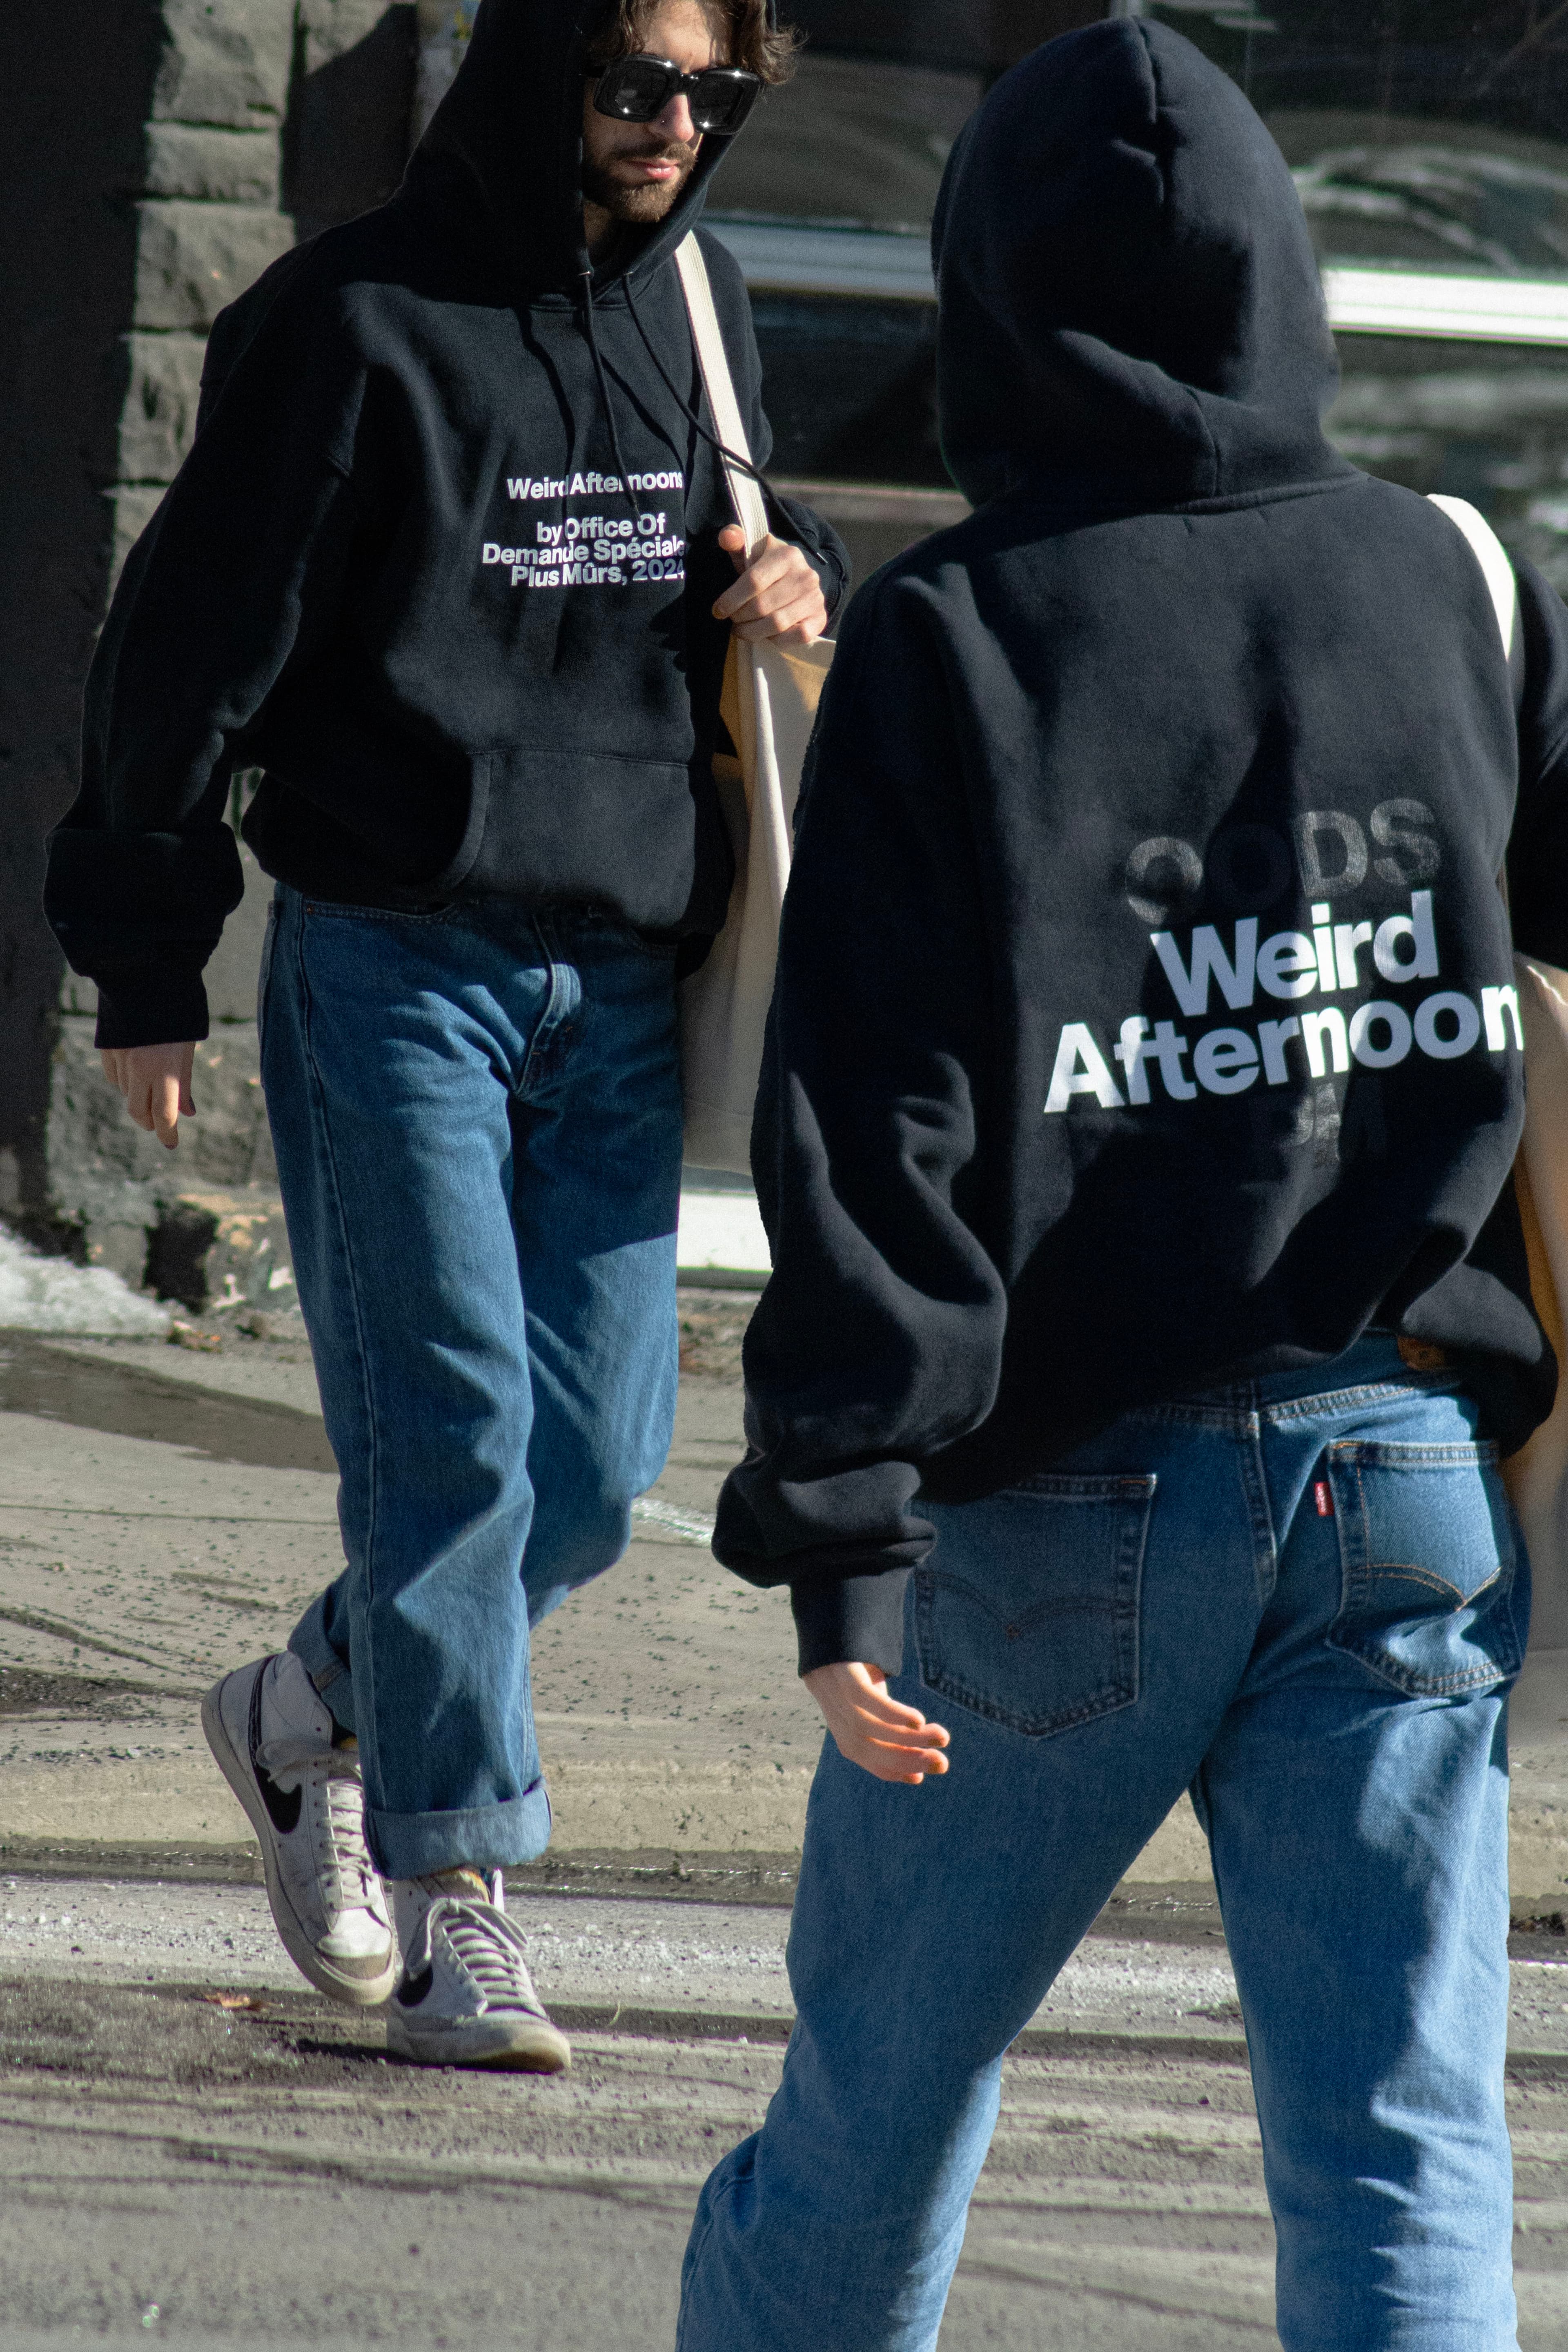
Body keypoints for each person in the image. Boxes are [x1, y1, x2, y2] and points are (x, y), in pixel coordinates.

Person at [677, 20, 1568, 2350]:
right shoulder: (1457, 580)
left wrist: (844, 1531)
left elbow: (878, 1128)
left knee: (875, 2125)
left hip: (1061, 1509)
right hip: (1400, 1466)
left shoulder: (962, 640)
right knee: (1401, 2152)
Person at [43, 0, 843, 2073]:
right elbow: (189, 642)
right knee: (461, 1431)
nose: (677, 124)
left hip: (622, 977)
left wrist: (796, 590)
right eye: (635, 81)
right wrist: (148, 949)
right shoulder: (348, 323)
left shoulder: (704, 302)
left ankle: (308, 1705)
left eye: (709, 90)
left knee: (593, 1467)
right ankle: (468, 1887)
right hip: (398, 963)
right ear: (535, 73)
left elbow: (767, 551)